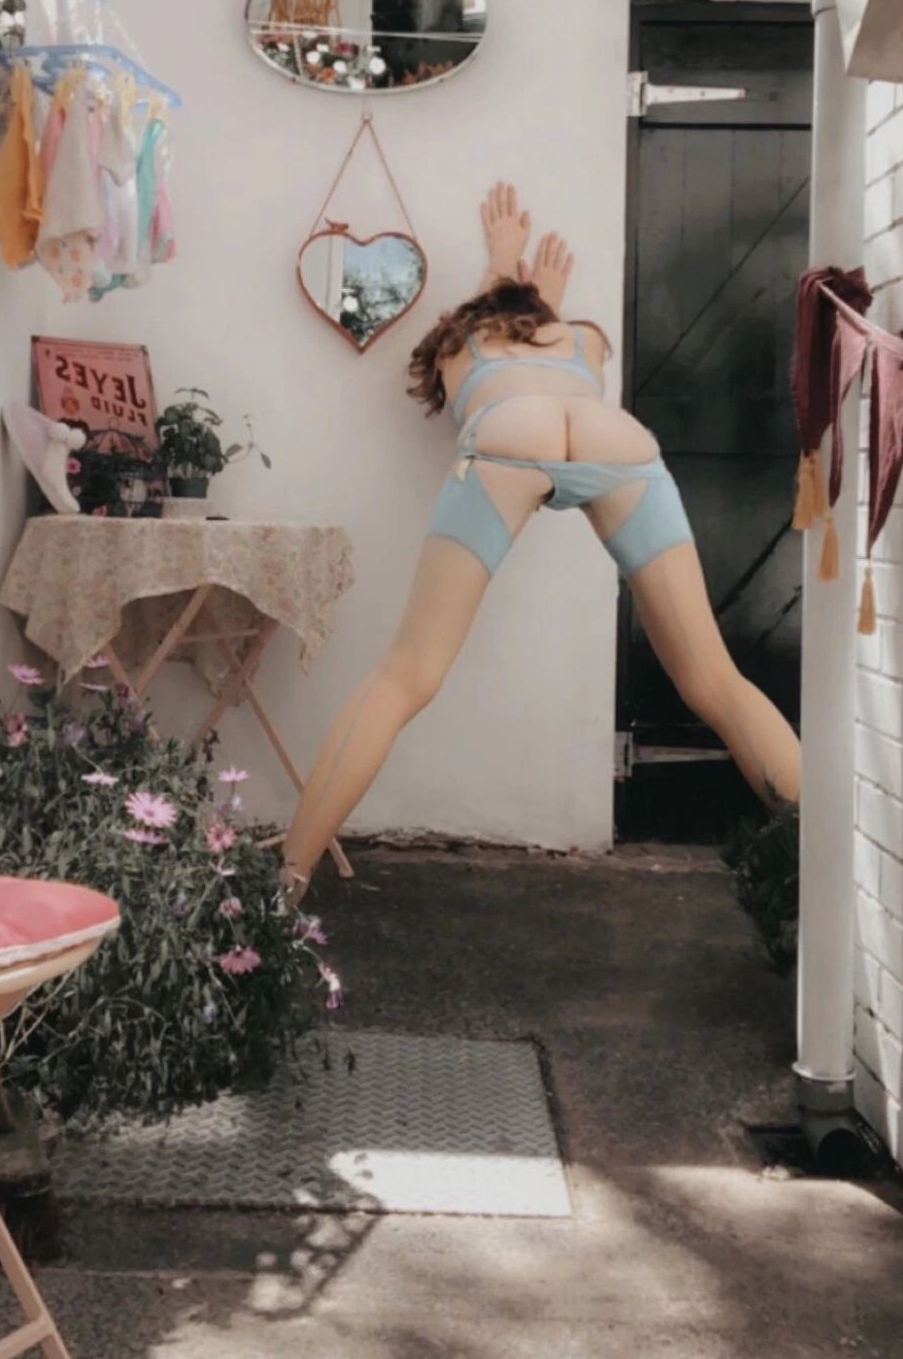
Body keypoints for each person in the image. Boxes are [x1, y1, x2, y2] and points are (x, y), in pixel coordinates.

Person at [281, 183, 800, 899]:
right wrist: (538, 292)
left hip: (510, 433)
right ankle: (827, 872)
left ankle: (286, 878)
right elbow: (531, 331)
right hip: (619, 444)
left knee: (405, 675)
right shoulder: (584, 338)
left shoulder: (459, 346)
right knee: (716, 678)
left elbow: (485, 326)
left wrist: (500, 261)